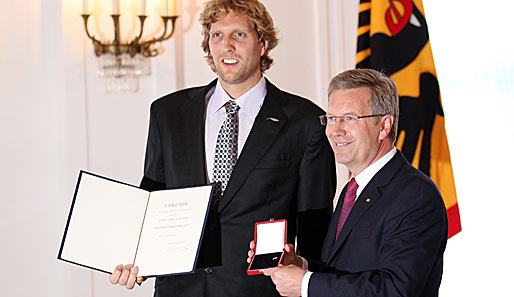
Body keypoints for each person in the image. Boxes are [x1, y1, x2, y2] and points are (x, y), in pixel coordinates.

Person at [109, 0, 336, 296]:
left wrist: (307, 277)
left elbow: (315, 226)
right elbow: (151, 199)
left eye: (239, 35)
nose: (226, 45)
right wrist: (136, 258)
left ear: (263, 43)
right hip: (178, 289)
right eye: (217, 35)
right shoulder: (168, 113)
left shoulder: (305, 122)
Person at [250, 68, 448, 297]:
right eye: (332, 118)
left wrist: (306, 284)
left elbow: (395, 290)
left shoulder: (416, 195)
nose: (335, 130)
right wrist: (301, 266)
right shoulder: (353, 190)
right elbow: (347, 271)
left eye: (350, 118)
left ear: (384, 126)